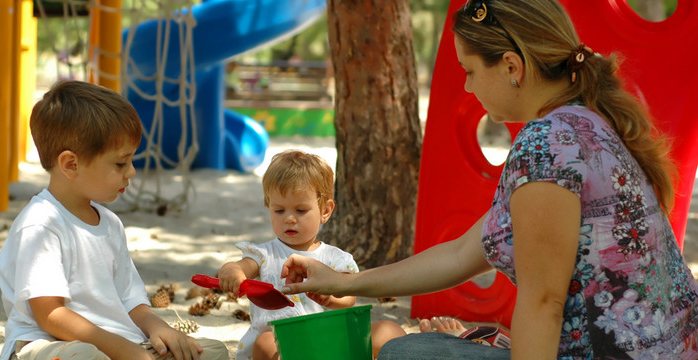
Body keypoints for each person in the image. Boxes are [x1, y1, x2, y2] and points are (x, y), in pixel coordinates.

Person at [280, 0, 698, 358]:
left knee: (407, 353)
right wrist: (344, 281)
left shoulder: (546, 145)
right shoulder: (587, 123)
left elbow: (544, 303)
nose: (467, 85)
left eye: (471, 70)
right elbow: (461, 253)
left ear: (512, 66)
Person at [0, 80, 228, 360]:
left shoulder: (110, 224)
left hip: (121, 345)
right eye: (120, 163)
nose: (131, 173)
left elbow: (131, 301)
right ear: (71, 164)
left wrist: (160, 328)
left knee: (210, 352)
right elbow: (51, 315)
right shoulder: (41, 225)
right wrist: (124, 351)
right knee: (84, 357)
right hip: (50, 344)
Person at [216, 149, 405, 360]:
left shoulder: (335, 258)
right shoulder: (264, 254)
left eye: (300, 210)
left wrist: (330, 297)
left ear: (325, 211)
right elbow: (242, 267)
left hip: (325, 338)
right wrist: (232, 271)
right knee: (266, 343)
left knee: (390, 331)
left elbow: (349, 298)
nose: (289, 219)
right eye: (279, 210)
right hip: (280, 339)